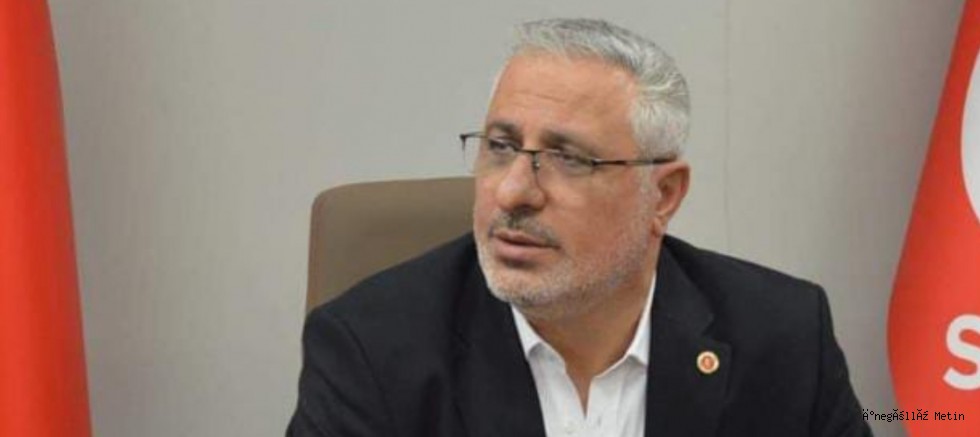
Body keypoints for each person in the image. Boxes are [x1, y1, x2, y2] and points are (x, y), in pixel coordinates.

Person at [287, 18, 871, 437]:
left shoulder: (782, 336)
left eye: (568, 158)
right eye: (500, 147)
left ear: (663, 195)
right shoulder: (371, 349)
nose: (513, 191)